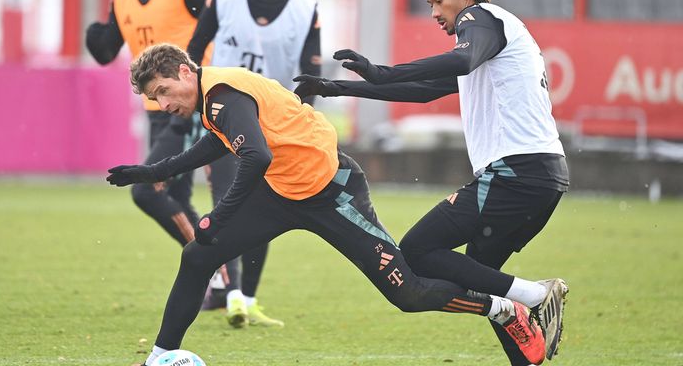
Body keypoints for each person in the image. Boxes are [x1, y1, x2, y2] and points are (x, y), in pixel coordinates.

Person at [106, 43, 558, 366]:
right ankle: (162, 356)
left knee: (409, 293)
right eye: (154, 99)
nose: (162, 103)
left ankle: (503, 308)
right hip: (281, 190)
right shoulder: (214, 98)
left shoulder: (223, 95)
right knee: (198, 255)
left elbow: (254, 155)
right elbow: (218, 145)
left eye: (162, 90)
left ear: (185, 71)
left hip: (331, 192)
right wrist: (150, 173)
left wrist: (216, 217)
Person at [294, 0, 569, 365]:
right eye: (430, 5)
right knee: (488, 286)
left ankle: (537, 294)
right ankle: (525, 344)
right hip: (540, 175)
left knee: (419, 250)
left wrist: (385, 71)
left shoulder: (481, 19)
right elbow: (424, 90)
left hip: (518, 172)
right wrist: (339, 88)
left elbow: (459, 59)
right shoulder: (493, 38)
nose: (436, 12)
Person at [183, 0, 322, 327]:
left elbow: (310, 77)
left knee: (263, 208)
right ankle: (233, 294)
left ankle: (246, 297)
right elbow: (193, 52)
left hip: (274, 128)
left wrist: (295, 120)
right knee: (228, 201)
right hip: (225, 122)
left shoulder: (306, 8)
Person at [84, 0, 224, 269]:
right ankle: (218, 275)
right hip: (157, 109)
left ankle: (212, 265)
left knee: (147, 189)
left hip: (193, 105)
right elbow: (107, 51)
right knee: (175, 196)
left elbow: (223, 9)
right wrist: (95, 35)